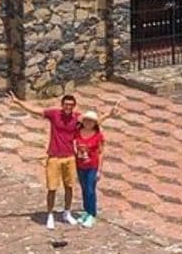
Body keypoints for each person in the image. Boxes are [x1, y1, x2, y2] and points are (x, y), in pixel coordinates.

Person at [8, 92, 120, 229]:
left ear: (74, 106)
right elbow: (36, 110)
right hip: (54, 157)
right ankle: (50, 214)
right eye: (66, 104)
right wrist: (18, 102)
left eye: (71, 105)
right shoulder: (54, 114)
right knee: (52, 188)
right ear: (62, 105)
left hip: (70, 157)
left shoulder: (77, 118)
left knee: (70, 187)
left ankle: (68, 213)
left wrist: (109, 114)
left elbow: (92, 123)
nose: (68, 107)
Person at [73, 110, 104, 228]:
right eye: (86, 120)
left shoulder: (98, 135)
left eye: (91, 121)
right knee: (84, 188)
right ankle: (86, 210)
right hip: (80, 165)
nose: (88, 123)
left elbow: (101, 152)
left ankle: (92, 213)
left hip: (92, 166)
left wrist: (99, 170)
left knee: (91, 189)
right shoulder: (77, 132)